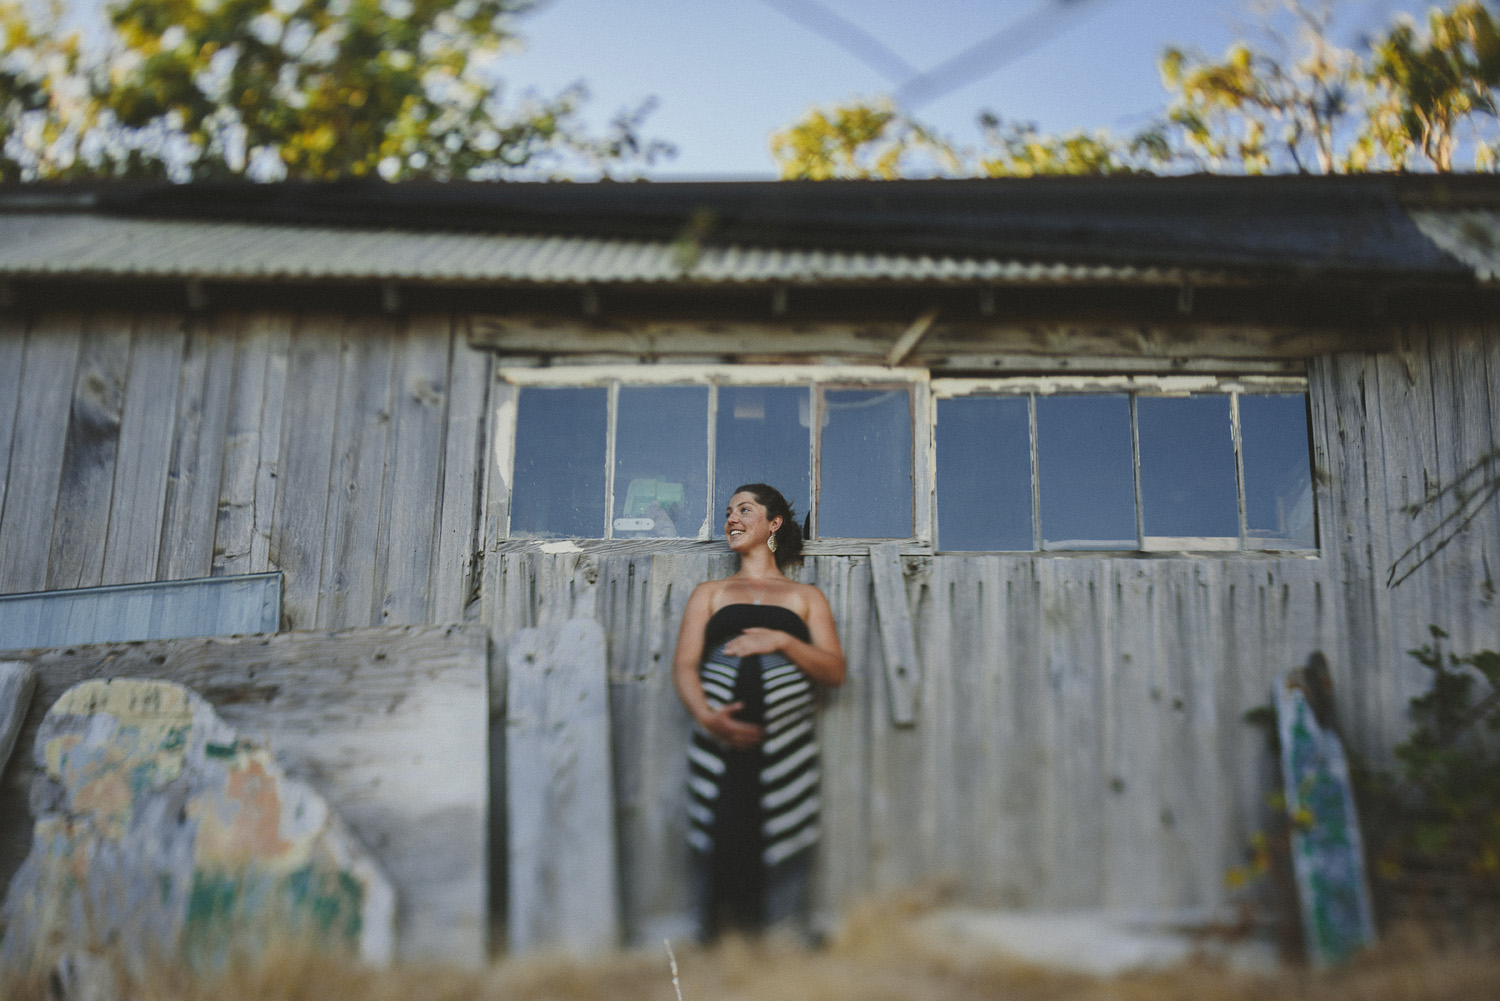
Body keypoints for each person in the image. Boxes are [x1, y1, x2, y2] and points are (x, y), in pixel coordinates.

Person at [671, 483, 845, 943]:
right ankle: (716, 945)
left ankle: (782, 941)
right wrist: (708, 718)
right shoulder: (710, 592)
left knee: (781, 833)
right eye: (728, 512)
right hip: (719, 743)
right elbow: (685, 665)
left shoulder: (805, 598)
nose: (732, 518)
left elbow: (834, 670)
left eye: (744, 510)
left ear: (774, 523)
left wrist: (783, 640)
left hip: (785, 747)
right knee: (718, 831)